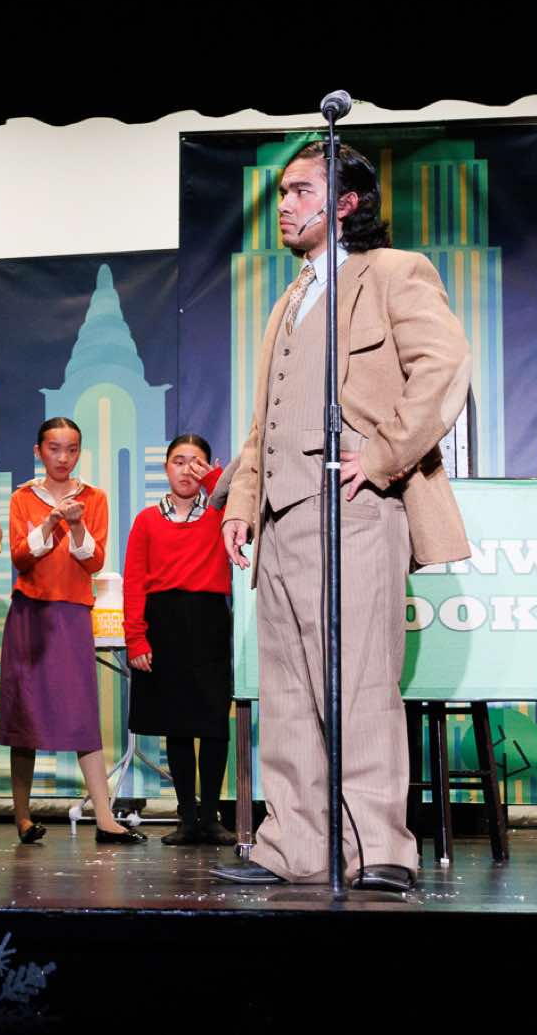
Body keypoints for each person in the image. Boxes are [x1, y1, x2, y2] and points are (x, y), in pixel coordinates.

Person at [213, 141, 472, 893]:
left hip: (356, 507)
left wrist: (385, 453)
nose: (284, 205)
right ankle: (294, 844)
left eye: (300, 190)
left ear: (346, 202)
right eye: (282, 192)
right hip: (282, 517)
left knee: (357, 682)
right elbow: (264, 416)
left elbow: (444, 365)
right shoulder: (289, 299)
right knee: (288, 688)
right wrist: (243, 498)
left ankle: (379, 846)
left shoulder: (393, 271)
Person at [0, 418, 145, 845]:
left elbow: (94, 561)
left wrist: (76, 524)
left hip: (73, 613)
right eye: (54, 448)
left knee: (82, 715)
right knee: (24, 714)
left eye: (72, 449)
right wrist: (50, 522)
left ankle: (105, 818)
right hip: (30, 614)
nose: (63, 458)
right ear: (38, 451)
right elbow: (21, 557)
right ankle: (22, 818)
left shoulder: (94, 498)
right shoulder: (23, 498)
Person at [125, 435, 236, 847]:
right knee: (177, 725)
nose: (187, 469)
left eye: (196, 462)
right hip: (164, 623)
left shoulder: (221, 515)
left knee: (213, 723)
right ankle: (187, 816)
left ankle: (211, 817)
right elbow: (134, 581)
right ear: (165, 467)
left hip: (209, 622)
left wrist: (215, 479)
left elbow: (245, 511)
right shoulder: (146, 520)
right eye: (178, 460)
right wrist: (136, 638)